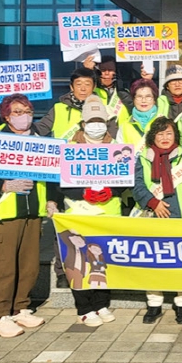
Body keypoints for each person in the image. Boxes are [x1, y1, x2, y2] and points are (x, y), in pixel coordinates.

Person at [0, 94, 50, 337]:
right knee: (4, 267)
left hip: (32, 213)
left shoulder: (40, 142)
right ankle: (0, 316)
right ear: (6, 116)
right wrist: (4, 186)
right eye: (17, 112)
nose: (23, 116)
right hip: (5, 214)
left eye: (27, 111)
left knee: (28, 265)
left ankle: (20, 309)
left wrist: (52, 200)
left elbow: (51, 177)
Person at [35, 67, 114, 288]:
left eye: (87, 84)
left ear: (94, 87)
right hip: (65, 175)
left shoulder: (105, 108)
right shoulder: (59, 108)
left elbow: (116, 139)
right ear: (71, 87)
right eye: (78, 84)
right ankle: (63, 272)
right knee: (63, 227)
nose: (83, 88)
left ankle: (98, 270)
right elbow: (39, 130)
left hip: (99, 173)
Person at [49, 95, 121, 327]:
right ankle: (84, 307)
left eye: (100, 121)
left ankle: (101, 303)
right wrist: (83, 193)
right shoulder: (70, 148)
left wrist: (111, 191)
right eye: (91, 121)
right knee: (78, 260)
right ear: (83, 124)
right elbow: (59, 183)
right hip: (78, 212)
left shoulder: (116, 147)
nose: (96, 125)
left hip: (107, 213)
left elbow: (125, 180)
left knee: (103, 260)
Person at [131, 117, 182, 324]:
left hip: (180, 217)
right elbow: (137, 186)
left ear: (175, 135)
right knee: (153, 261)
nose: (165, 138)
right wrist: (153, 203)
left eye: (169, 133)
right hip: (152, 216)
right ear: (153, 137)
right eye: (160, 134)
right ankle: (154, 303)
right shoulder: (143, 158)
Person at [117, 79, 161, 155]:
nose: (143, 100)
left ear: (154, 99)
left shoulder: (163, 122)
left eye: (148, 96)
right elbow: (120, 155)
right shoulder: (125, 126)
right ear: (133, 99)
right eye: (139, 97)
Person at [84, 54, 134, 120]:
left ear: (116, 72)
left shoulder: (126, 92)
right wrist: (87, 72)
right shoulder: (91, 91)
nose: (107, 73)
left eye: (110, 70)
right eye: (103, 70)